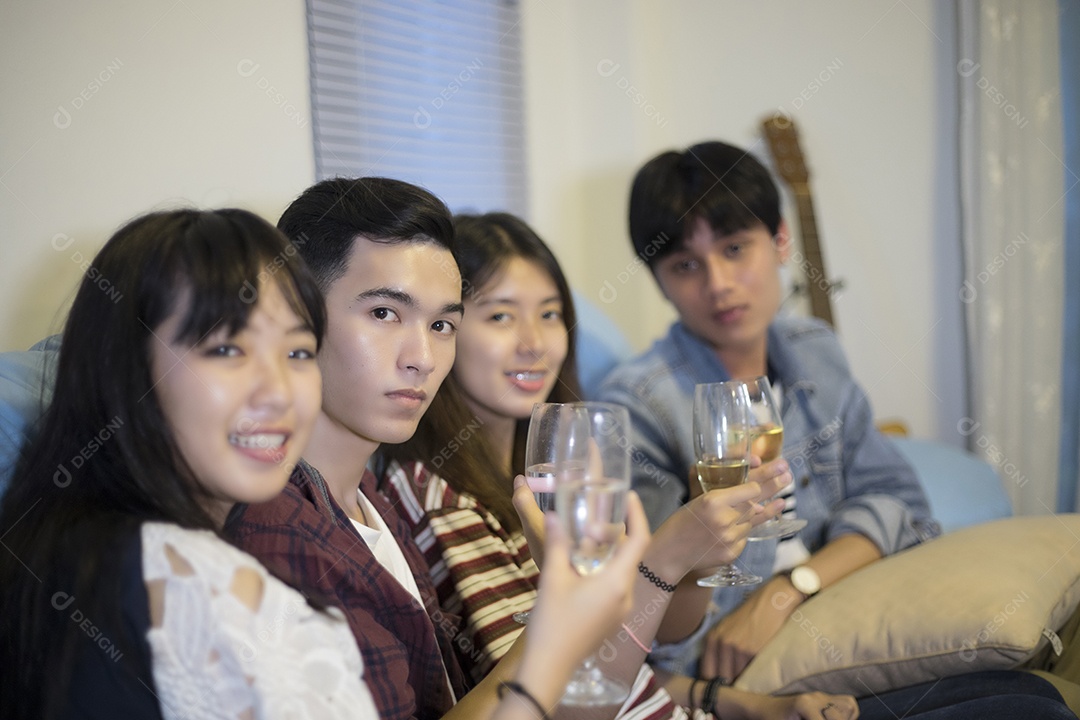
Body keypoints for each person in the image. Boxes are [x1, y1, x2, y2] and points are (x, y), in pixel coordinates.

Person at [0, 205, 656, 720]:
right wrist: (560, 634)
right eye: (226, 350)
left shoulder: (369, 497)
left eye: (294, 352)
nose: (277, 391)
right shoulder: (211, 561)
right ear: (124, 366)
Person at [376, 211, 870, 719]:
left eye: (549, 314)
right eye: (500, 316)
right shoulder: (438, 497)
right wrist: (664, 557)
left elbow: (637, 651)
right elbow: (556, 693)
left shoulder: (558, 469)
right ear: (446, 329)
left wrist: (743, 699)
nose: (534, 342)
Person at [595, 140, 926, 680]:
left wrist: (790, 589)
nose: (719, 285)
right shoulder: (639, 407)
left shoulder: (814, 350)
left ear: (780, 241)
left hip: (834, 611)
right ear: (660, 282)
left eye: (734, 249)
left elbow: (903, 505)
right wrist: (701, 532)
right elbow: (646, 625)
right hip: (727, 672)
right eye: (685, 265)